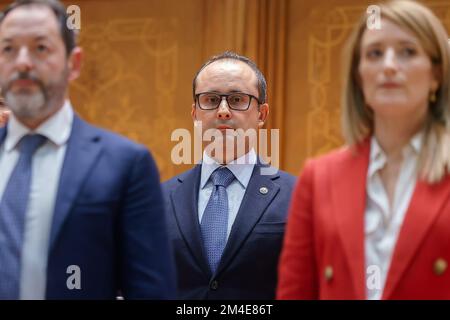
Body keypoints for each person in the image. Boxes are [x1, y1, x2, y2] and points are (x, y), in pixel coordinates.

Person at [0, 0, 175, 299]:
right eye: (8, 49)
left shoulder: (126, 164)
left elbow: (151, 292)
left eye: (41, 48)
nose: (23, 62)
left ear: (74, 63)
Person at [277, 0, 450, 300]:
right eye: (375, 53)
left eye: (408, 51)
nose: (389, 66)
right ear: (359, 76)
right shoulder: (318, 178)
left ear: (436, 72)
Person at [163, 51, 296, 299]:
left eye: (237, 99)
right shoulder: (159, 199)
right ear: (195, 114)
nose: (223, 111)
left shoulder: (297, 196)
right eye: (211, 100)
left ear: (262, 114)